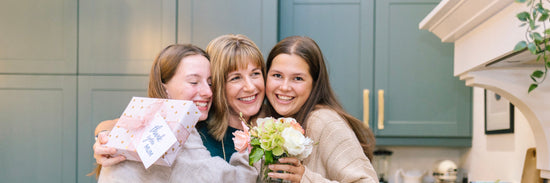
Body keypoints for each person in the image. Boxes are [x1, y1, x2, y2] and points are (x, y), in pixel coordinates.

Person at [93, 44, 258, 182]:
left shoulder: (136, 126)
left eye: (210, 82)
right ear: (165, 88)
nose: (208, 92)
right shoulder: (176, 133)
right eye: (193, 82)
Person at [263, 36, 379, 182]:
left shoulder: (324, 121)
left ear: (314, 84)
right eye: (277, 75)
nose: (285, 87)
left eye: (298, 78)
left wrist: (306, 179)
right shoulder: (267, 122)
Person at [197, 34, 266, 161]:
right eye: (236, 78)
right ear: (217, 84)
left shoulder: (281, 129)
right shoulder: (198, 140)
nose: (250, 87)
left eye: (255, 73)